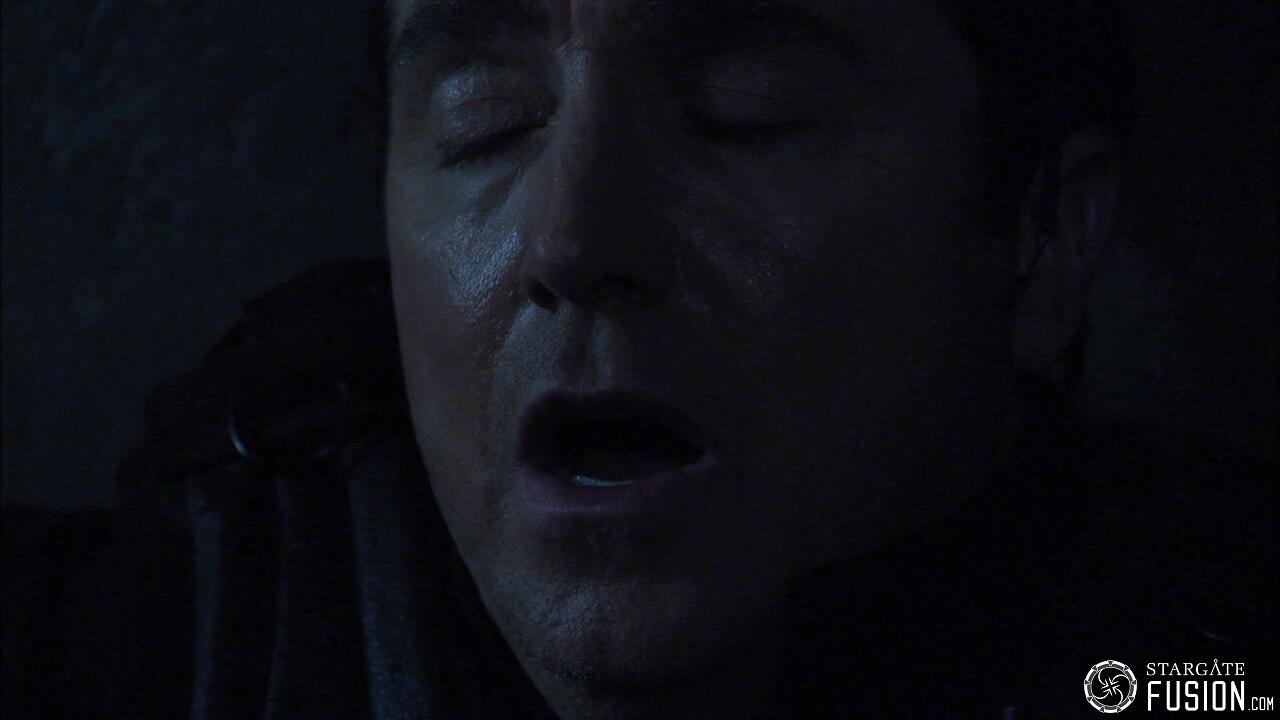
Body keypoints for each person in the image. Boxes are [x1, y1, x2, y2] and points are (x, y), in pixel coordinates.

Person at [91, 1, 1272, 718]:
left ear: (1045, 233)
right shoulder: (165, 640)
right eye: (484, 117)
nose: (572, 240)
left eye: (743, 110)